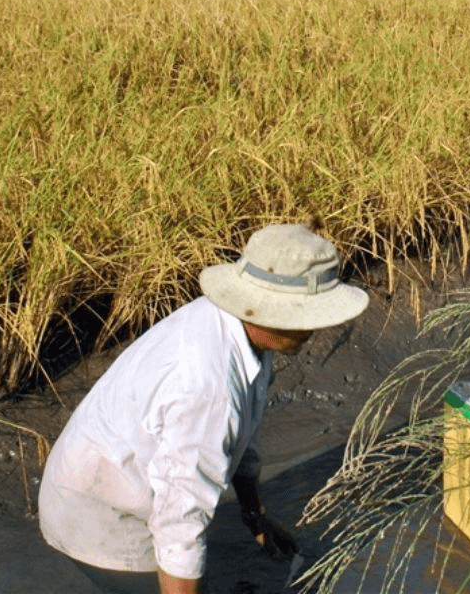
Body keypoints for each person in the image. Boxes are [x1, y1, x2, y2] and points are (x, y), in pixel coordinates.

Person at [38, 224, 368, 594]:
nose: (315, 329)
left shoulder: (248, 329)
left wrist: (254, 514)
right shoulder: (208, 387)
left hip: (117, 479)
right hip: (103, 518)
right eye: (308, 316)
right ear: (270, 311)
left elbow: (247, 435)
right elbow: (180, 523)